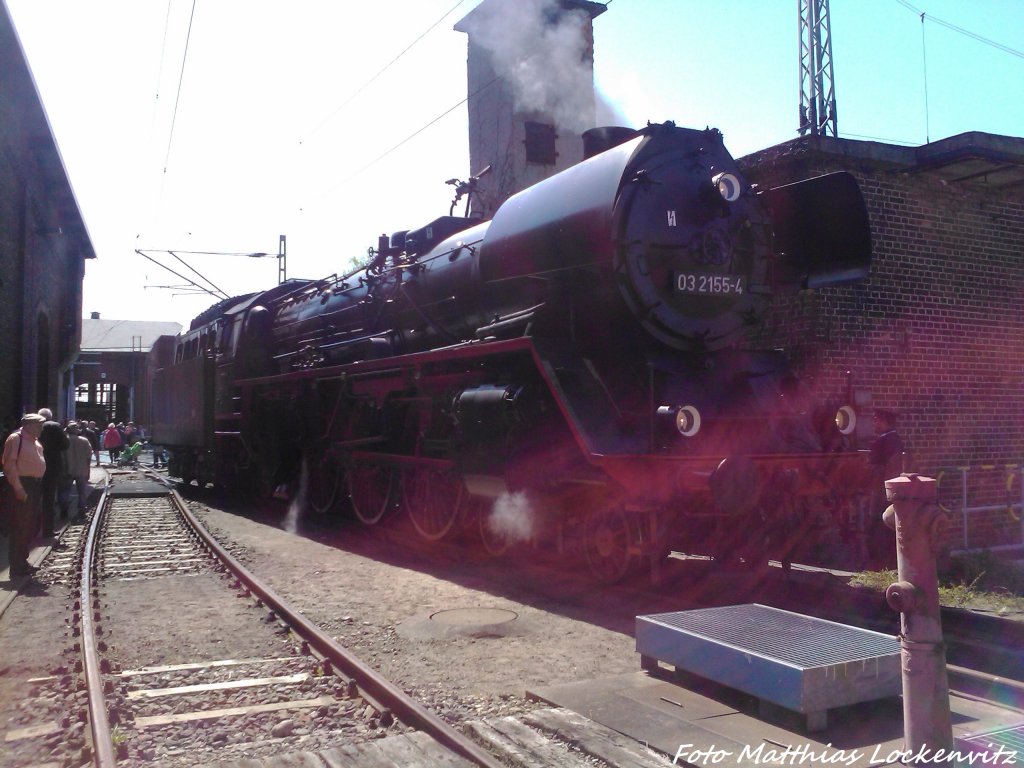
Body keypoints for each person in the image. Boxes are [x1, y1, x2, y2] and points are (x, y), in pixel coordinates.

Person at [2, 414, 46, 578]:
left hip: (34, 485)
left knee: (30, 525)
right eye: (38, 425)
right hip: (23, 485)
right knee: (20, 527)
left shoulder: (35, 440)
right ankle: (16, 567)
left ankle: (23, 561)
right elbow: (9, 465)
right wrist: (18, 488)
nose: (41, 429)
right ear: (28, 425)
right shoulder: (16, 439)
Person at [867, 408, 904, 568]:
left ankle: (879, 564)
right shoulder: (898, 440)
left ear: (883, 421)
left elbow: (874, 471)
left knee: (877, 528)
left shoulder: (881, 443)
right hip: (895, 492)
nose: (874, 423)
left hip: (880, 492)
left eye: (876, 420)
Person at [37, 407, 68, 537]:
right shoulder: (55, 426)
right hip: (52, 466)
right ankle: (47, 530)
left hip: (34, 466)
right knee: (48, 499)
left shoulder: (31, 427)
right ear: (50, 416)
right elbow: (65, 445)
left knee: (33, 499)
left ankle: (33, 530)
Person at [60, 422, 93, 523]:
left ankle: (64, 511)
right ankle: (82, 510)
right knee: (82, 492)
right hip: (81, 469)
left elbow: (61, 456)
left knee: (65, 491)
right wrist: (88, 469)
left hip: (67, 469)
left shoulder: (64, 440)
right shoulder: (84, 441)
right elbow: (89, 456)